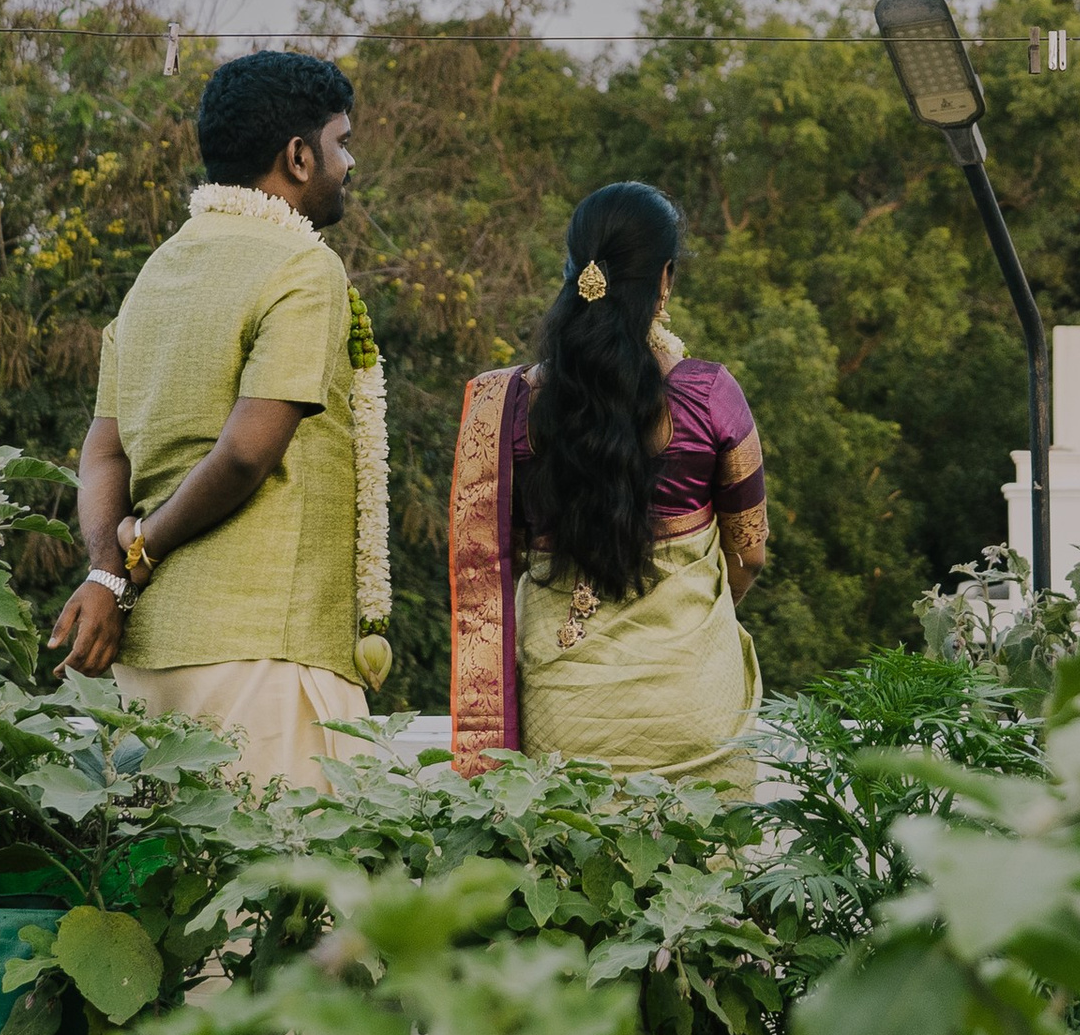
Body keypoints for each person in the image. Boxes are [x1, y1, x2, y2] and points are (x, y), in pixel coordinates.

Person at [48, 48, 372, 789]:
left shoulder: (156, 270)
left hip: (152, 666)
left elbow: (103, 454)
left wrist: (110, 573)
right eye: (340, 143)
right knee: (301, 897)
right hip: (263, 658)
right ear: (297, 156)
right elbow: (242, 456)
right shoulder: (303, 265)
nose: (348, 163)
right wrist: (137, 557)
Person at [447, 181, 766, 789]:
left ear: (571, 272)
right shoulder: (711, 394)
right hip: (694, 708)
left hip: (560, 719)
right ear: (664, 280)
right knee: (702, 881)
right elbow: (748, 552)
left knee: (564, 881)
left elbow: (490, 569)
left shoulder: (507, 407)